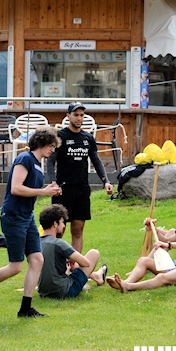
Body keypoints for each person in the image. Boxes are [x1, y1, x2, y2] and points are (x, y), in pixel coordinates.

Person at [0, 128, 63, 319]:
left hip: (27, 216)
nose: (53, 149)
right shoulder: (25, 159)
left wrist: (48, 189)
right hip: (13, 216)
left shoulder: (37, 164)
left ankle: (25, 308)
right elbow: (16, 188)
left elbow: (30, 188)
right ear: (41, 143)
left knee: (37, 260)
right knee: (15, 266)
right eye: (51, 145)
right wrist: (44, 193)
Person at [46, 102, 113, 253]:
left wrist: (106, 181)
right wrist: (53, 183)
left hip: (82, 188)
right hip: (63, 190)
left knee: (77, 230)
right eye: (75, 115)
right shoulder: (60, 137)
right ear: (68, 116)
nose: (79, 118)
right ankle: (56, 265)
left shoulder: (88, 138)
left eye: (82, 115)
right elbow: (50, 161)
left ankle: (74, 267)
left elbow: (96, 160)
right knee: (58, 230)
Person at [107, 199, 176, 292]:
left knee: (162, 277)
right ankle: (124, 282)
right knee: (143, 260)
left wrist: (169, 245)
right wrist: (154, 229)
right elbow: (167, 239)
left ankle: (129, 287)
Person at [37, 205, 107, 299]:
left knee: (68, 264)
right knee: (94, 253)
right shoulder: (59, 244)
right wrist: (70, 259)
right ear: (55, 224)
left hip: (43, 292)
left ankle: (97, 276)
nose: (64, 226)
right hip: (64, 291)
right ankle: (97, 276)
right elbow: (85, 263)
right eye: (62, 222)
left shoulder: (36, 243)